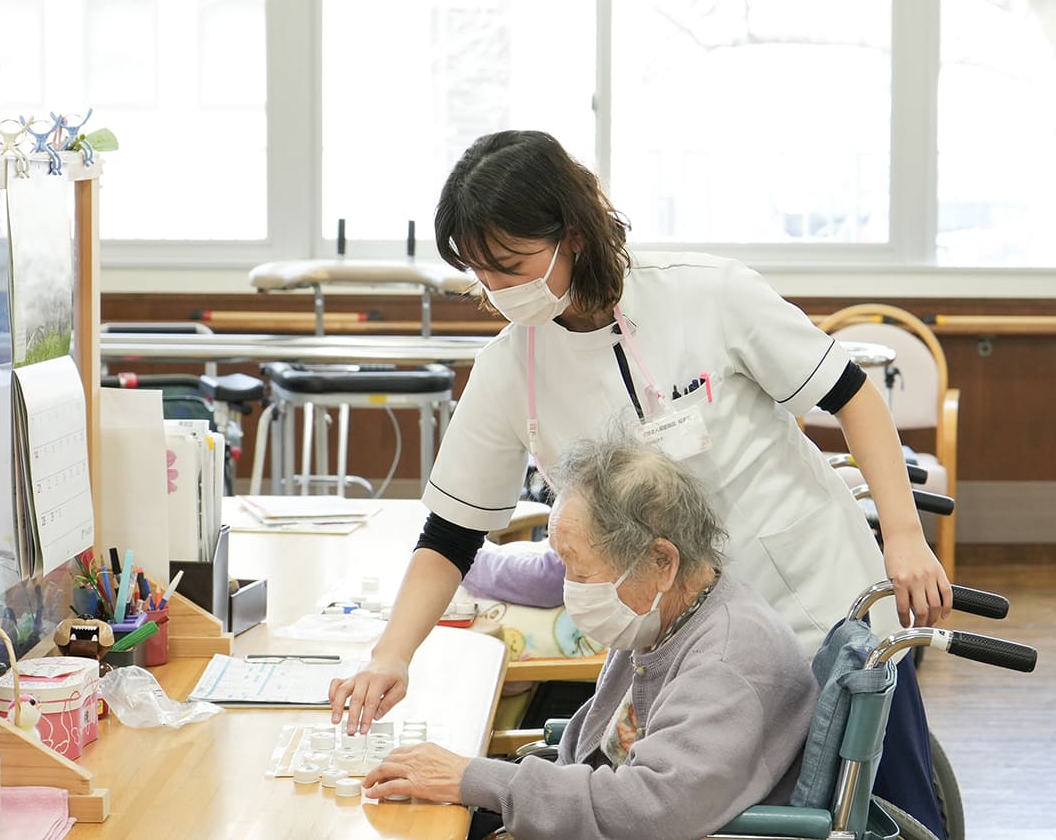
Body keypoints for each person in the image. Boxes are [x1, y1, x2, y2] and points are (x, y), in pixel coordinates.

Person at [330, 129, 951, 834]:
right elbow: (450, 533)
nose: (499, 291)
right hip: (682, 635)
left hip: (813, 601)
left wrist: (903, 535)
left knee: (884, 809)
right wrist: (392, 653)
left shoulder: (706, 292)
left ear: (574, 235)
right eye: (481, 274)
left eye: (511, 265)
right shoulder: (512, 366)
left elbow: (852, 395)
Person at [361, 434, 818, 840]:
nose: (571, 587)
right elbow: (595, 757)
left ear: (662, 561)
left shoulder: (725, 664)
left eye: (580, 568)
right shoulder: (663, 618)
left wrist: (475, 778)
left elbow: (648, 811)